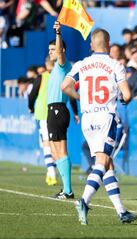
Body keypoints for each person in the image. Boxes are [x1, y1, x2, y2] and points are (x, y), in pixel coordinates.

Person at [61, 28, 137, 225]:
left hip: (87, 119)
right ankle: (84, 201)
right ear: (109, 43)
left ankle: (121, 212)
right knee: (102, 163)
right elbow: (127, 95)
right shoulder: (115, 65)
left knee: (107, 164)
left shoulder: (81, 64)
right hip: (106, 117)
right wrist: (123, 98)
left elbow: (65, 86)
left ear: (91, 46)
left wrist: (81, 98)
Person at [46, 21, 78, 199]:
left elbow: (59, 52)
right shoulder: (56, 69)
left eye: (53, 49)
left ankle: (68, 190)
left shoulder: (62, 65)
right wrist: (74, 111)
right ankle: (65, 189)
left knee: (61, 150)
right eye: (50, 50)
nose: (51, 52)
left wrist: (58, 33)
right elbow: (71, 91)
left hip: (58, 109)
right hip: (54, 111)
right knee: (56, 151)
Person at [28, 58, 57, 186]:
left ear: (46, 64)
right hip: (57, 112)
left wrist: (30, 107)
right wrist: (74, 111)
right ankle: (52, 172)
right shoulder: (60, 75)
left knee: (46, 144)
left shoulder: (42, 77)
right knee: (56, 144)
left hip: (44, 113)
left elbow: (32, 94)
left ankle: (51, 173)